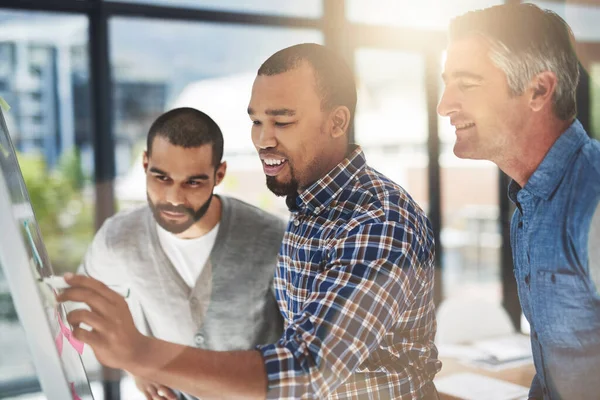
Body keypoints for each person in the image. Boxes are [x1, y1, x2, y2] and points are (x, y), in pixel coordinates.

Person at [60, 44, 441, 399]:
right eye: (256, 121)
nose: (262, 139)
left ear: (338, 121)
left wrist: (143, 354)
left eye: (283, 122)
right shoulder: (306, 208)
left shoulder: (379, 219)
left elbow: (308, 367)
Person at [437, 4, 600, 399]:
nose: (445, 105)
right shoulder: (528, 205)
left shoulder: (592, 201)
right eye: (446, 84)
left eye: (467, 84)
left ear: (539, 90)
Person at [77, 107, 285, 400]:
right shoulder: (119, 238)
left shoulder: (274, 238)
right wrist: (135, 366)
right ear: (145, 164)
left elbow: (302, 353)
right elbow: (81, 309)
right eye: (161, 178)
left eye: (193, 182)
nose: (174, 198)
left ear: (219, 174)